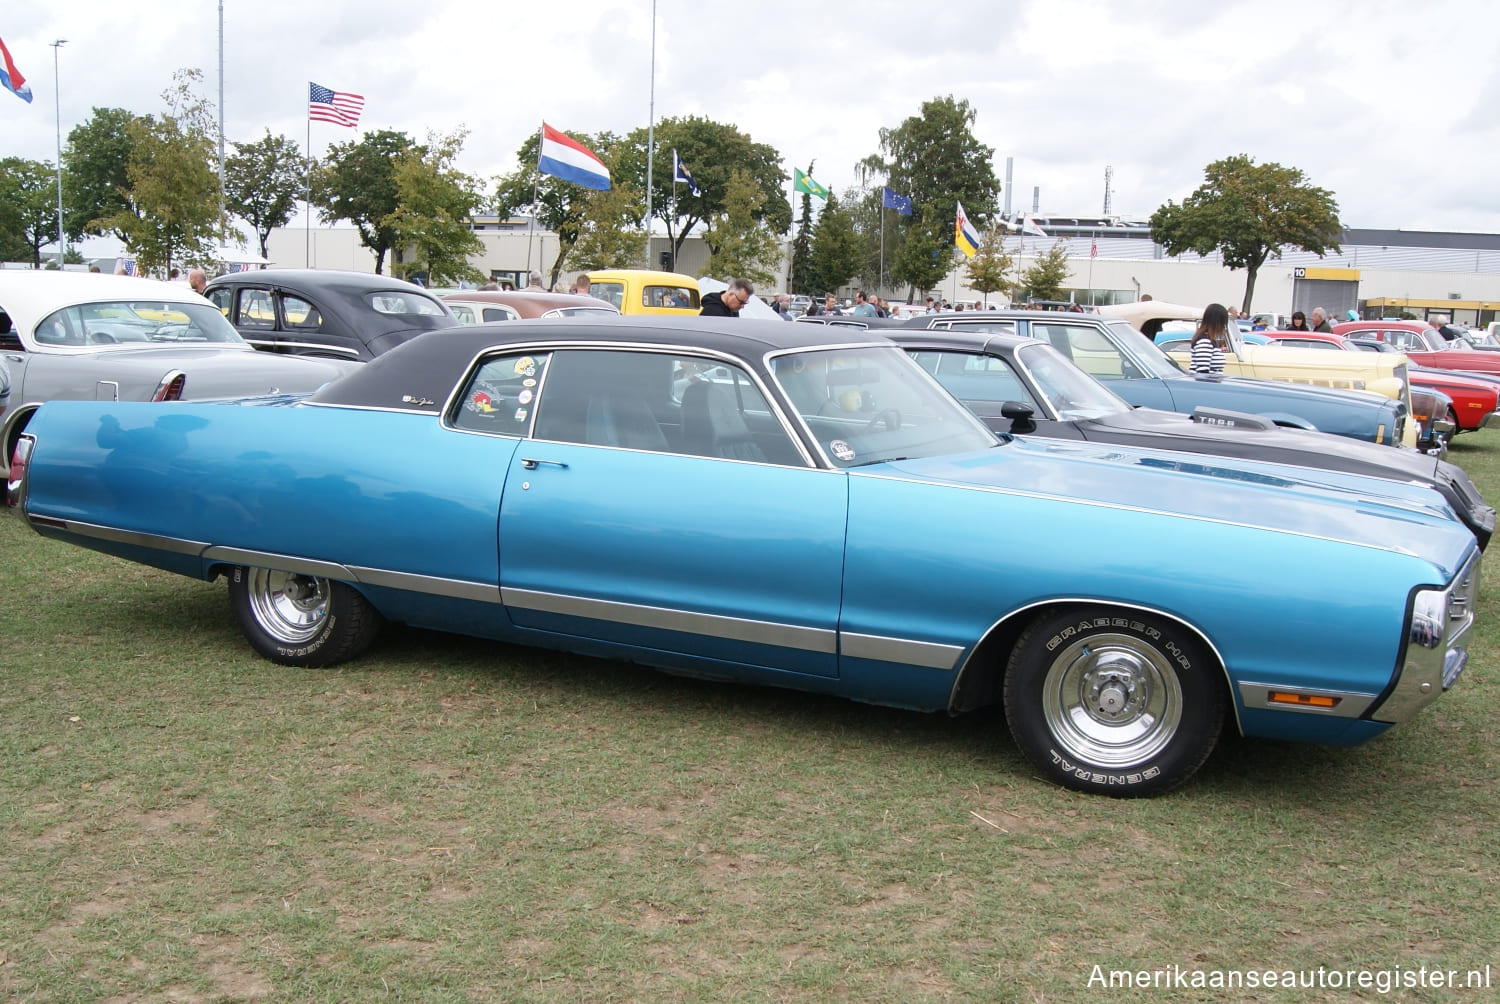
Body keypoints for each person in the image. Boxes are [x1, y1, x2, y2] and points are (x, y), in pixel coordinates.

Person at [1190, 303, 1230, 375]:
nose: (1224, 327)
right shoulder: (1204, 342)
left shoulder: (1207, 340)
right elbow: (1202, 372)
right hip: (1208, 384)